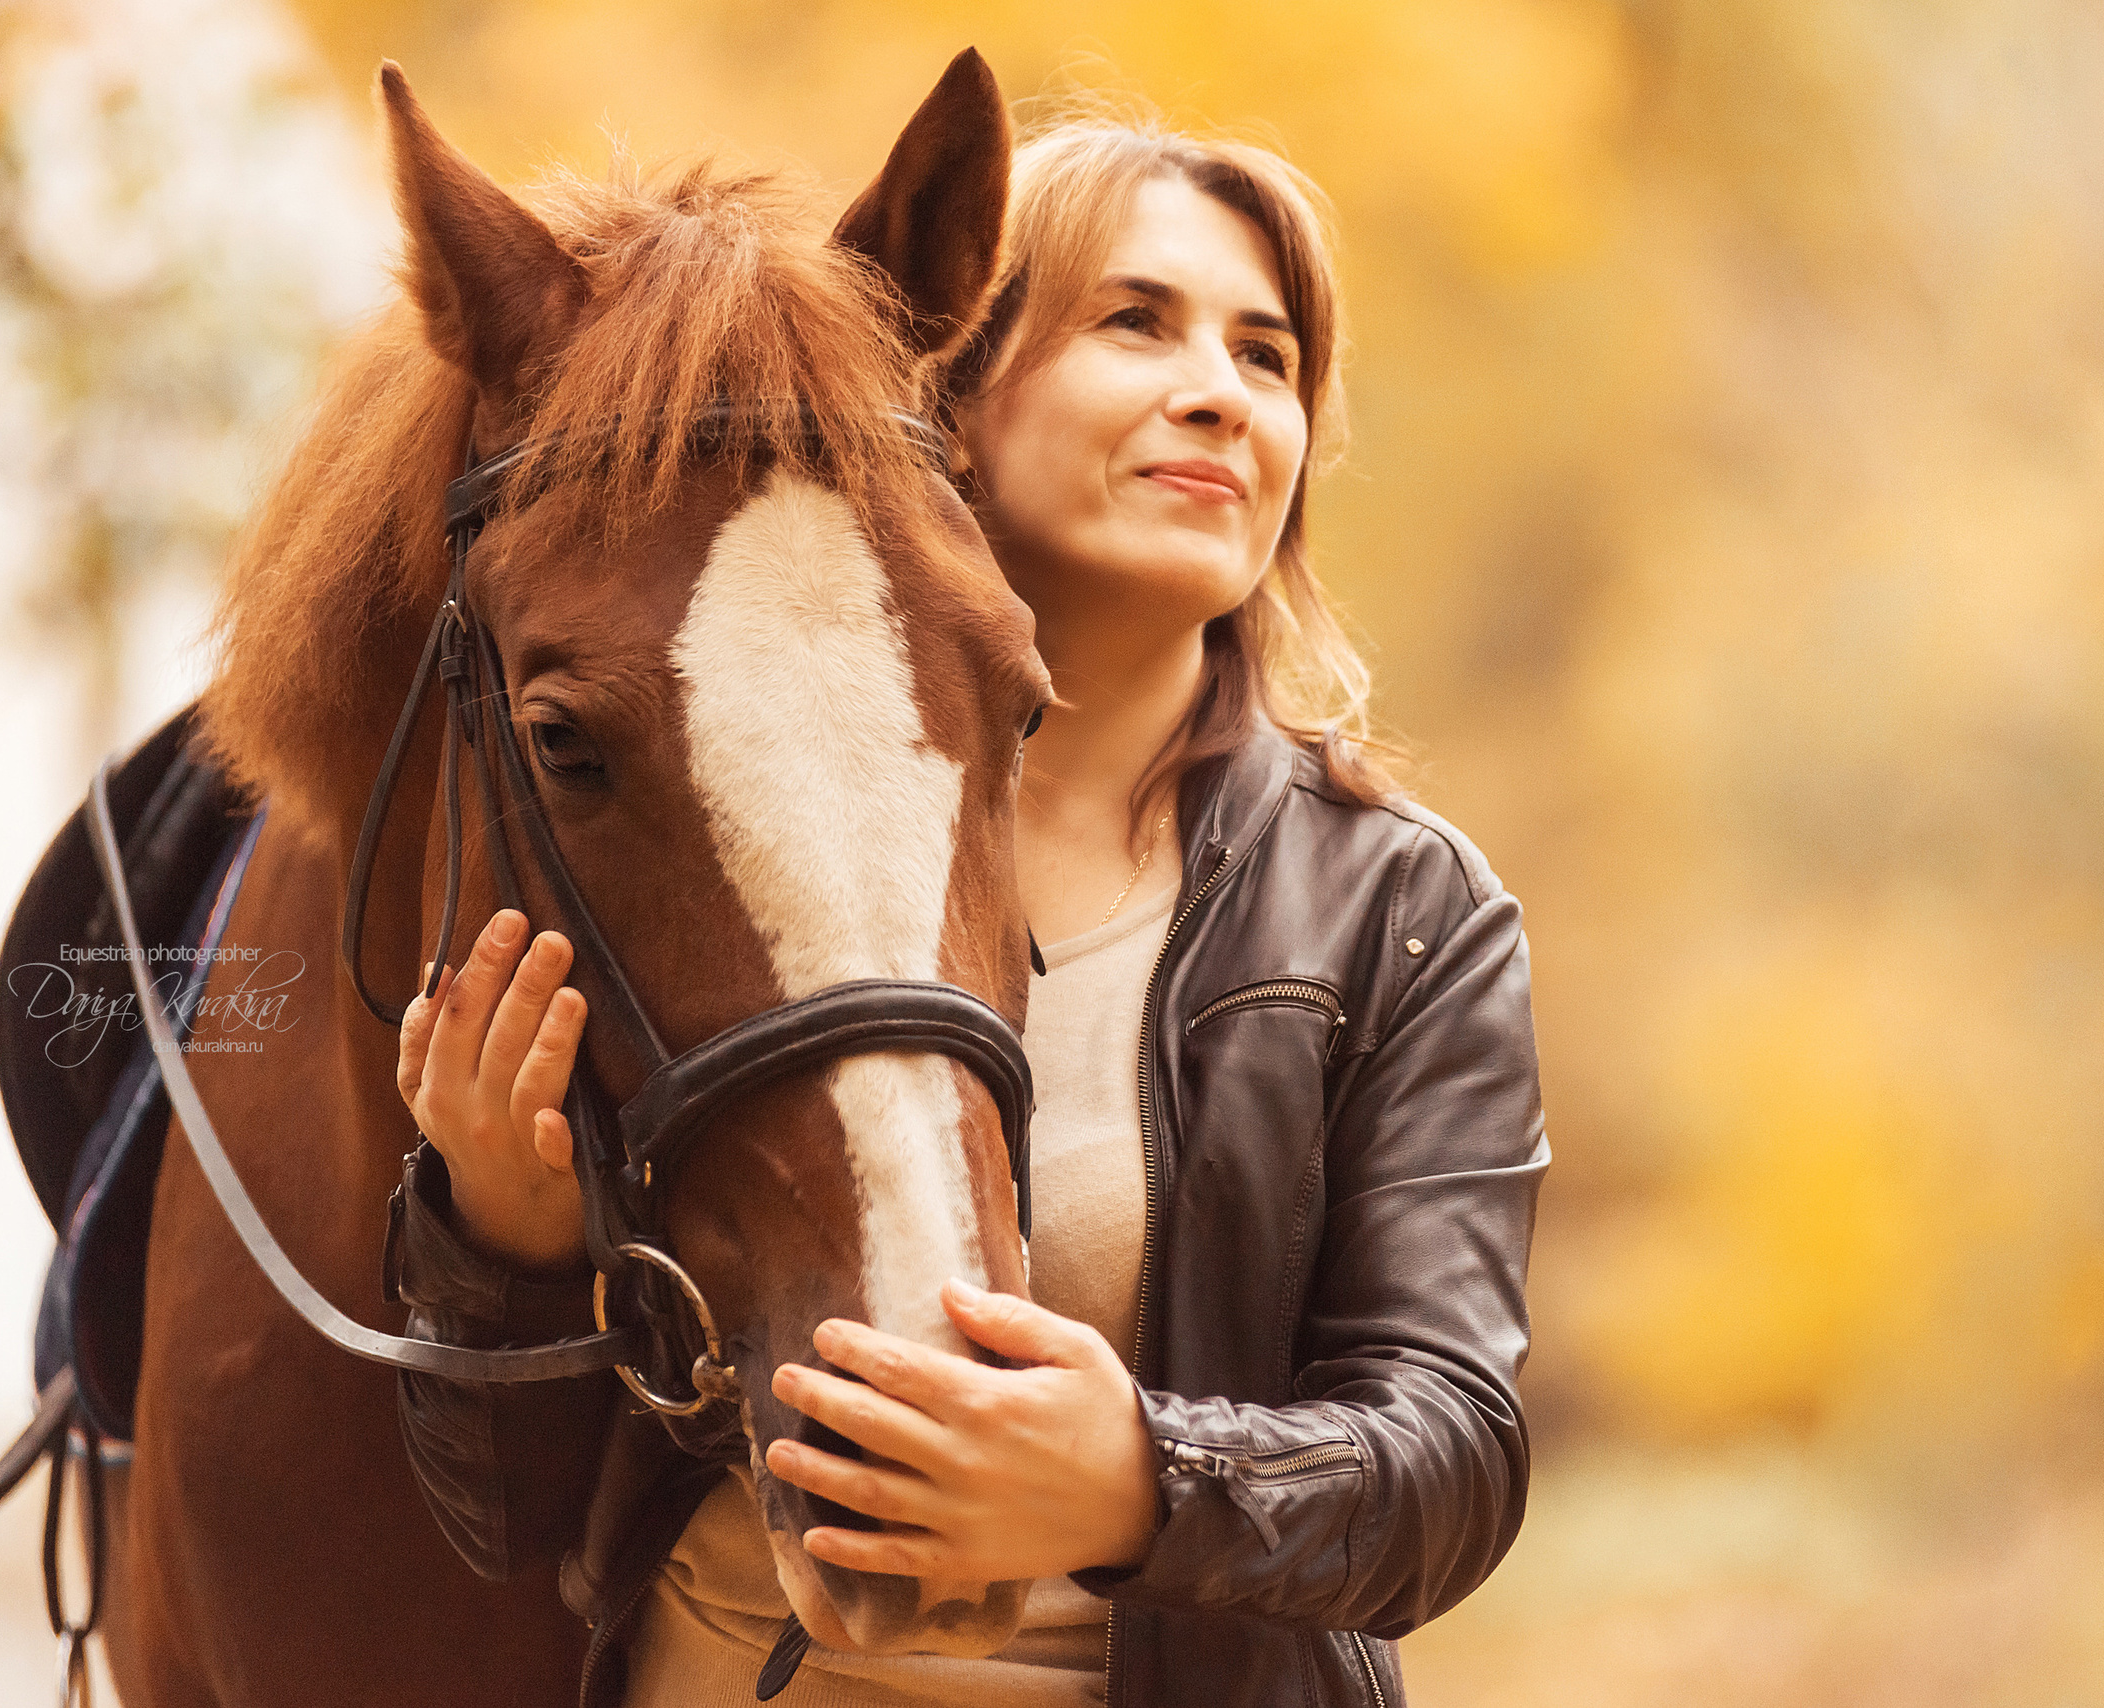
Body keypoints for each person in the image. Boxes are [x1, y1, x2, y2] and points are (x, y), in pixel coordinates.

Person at [385, 112, 1548, 1708]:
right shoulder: (703, 808)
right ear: (950, 384)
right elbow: (505, 1523)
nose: (1220, 389)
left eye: (1269, 356)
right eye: (1136, 321)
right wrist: (499, 1244)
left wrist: (1138, 1480)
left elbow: (1452, 1465)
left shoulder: (1401, 908)